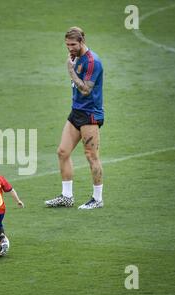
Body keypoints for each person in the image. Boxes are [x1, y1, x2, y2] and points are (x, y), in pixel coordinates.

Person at [45, 27, 104, 210]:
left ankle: (97, 199)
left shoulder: (93, 62)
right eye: (67, 45)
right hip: (76, 112)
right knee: (62, 152)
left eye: (73, 44)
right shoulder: (75, 58)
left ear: (82, 41)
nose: (69, 48)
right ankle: (67, 197)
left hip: (90, 115)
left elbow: (86, 89)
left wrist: (71, 71)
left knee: (91, 156)